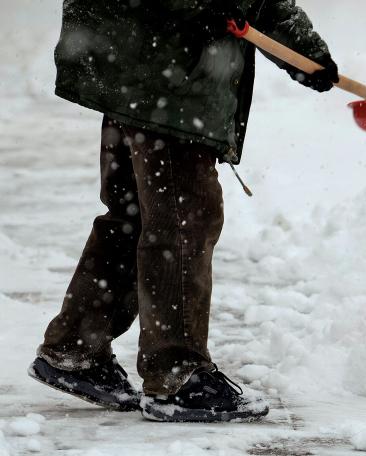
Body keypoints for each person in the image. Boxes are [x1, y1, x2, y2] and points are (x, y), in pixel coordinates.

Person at [27, 0, 338, 422]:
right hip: (169, 78)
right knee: (182, 223)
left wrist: (305, 54)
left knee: (135, 217)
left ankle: (75, 348)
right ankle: (178, 375)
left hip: (138, 67)